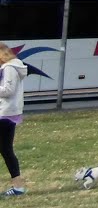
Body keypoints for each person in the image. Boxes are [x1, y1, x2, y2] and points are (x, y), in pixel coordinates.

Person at [0, 43, 27, 198]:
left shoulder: (9, 68)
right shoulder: (10, 67)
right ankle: (18, 187)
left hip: (5, 114)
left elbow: (8, 90)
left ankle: (18, 187)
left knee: (6, 150)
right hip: (8, 113)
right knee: (6, 150)